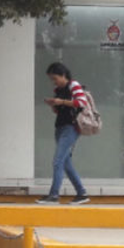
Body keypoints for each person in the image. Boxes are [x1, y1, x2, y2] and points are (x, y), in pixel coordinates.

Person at [38, 62, 90, 204]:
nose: (54, 82)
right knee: (65, 163)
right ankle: (81, 193)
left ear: (63, 75)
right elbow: (60, 110)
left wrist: (61, 101)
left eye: (55, 78)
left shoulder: (73, 85)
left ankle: (54, 195)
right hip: (60, 126)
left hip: (71, 127)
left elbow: (81, 102)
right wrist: (54, 105)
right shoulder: (57, 90)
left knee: (58, 161)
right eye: (52, 79)